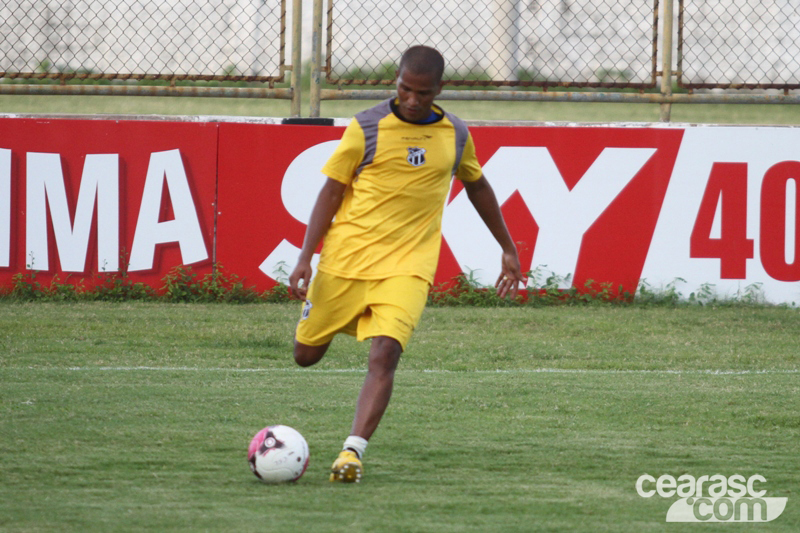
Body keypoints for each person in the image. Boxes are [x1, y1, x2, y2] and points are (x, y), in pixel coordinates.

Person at [288, 45, 525, 483]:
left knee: (386, 353)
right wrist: (306, 256)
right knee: (306, 355)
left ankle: (352, 453)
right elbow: (331, 192)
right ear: (395, 81)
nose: (413, 101)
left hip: (408, 266)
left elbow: (478, 187)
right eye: (405, 90)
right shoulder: (367, 127)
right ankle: (325, 316)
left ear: (440, 89)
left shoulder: (455, 134)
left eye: (423, 92)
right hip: (347, 259)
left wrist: (507, 247)